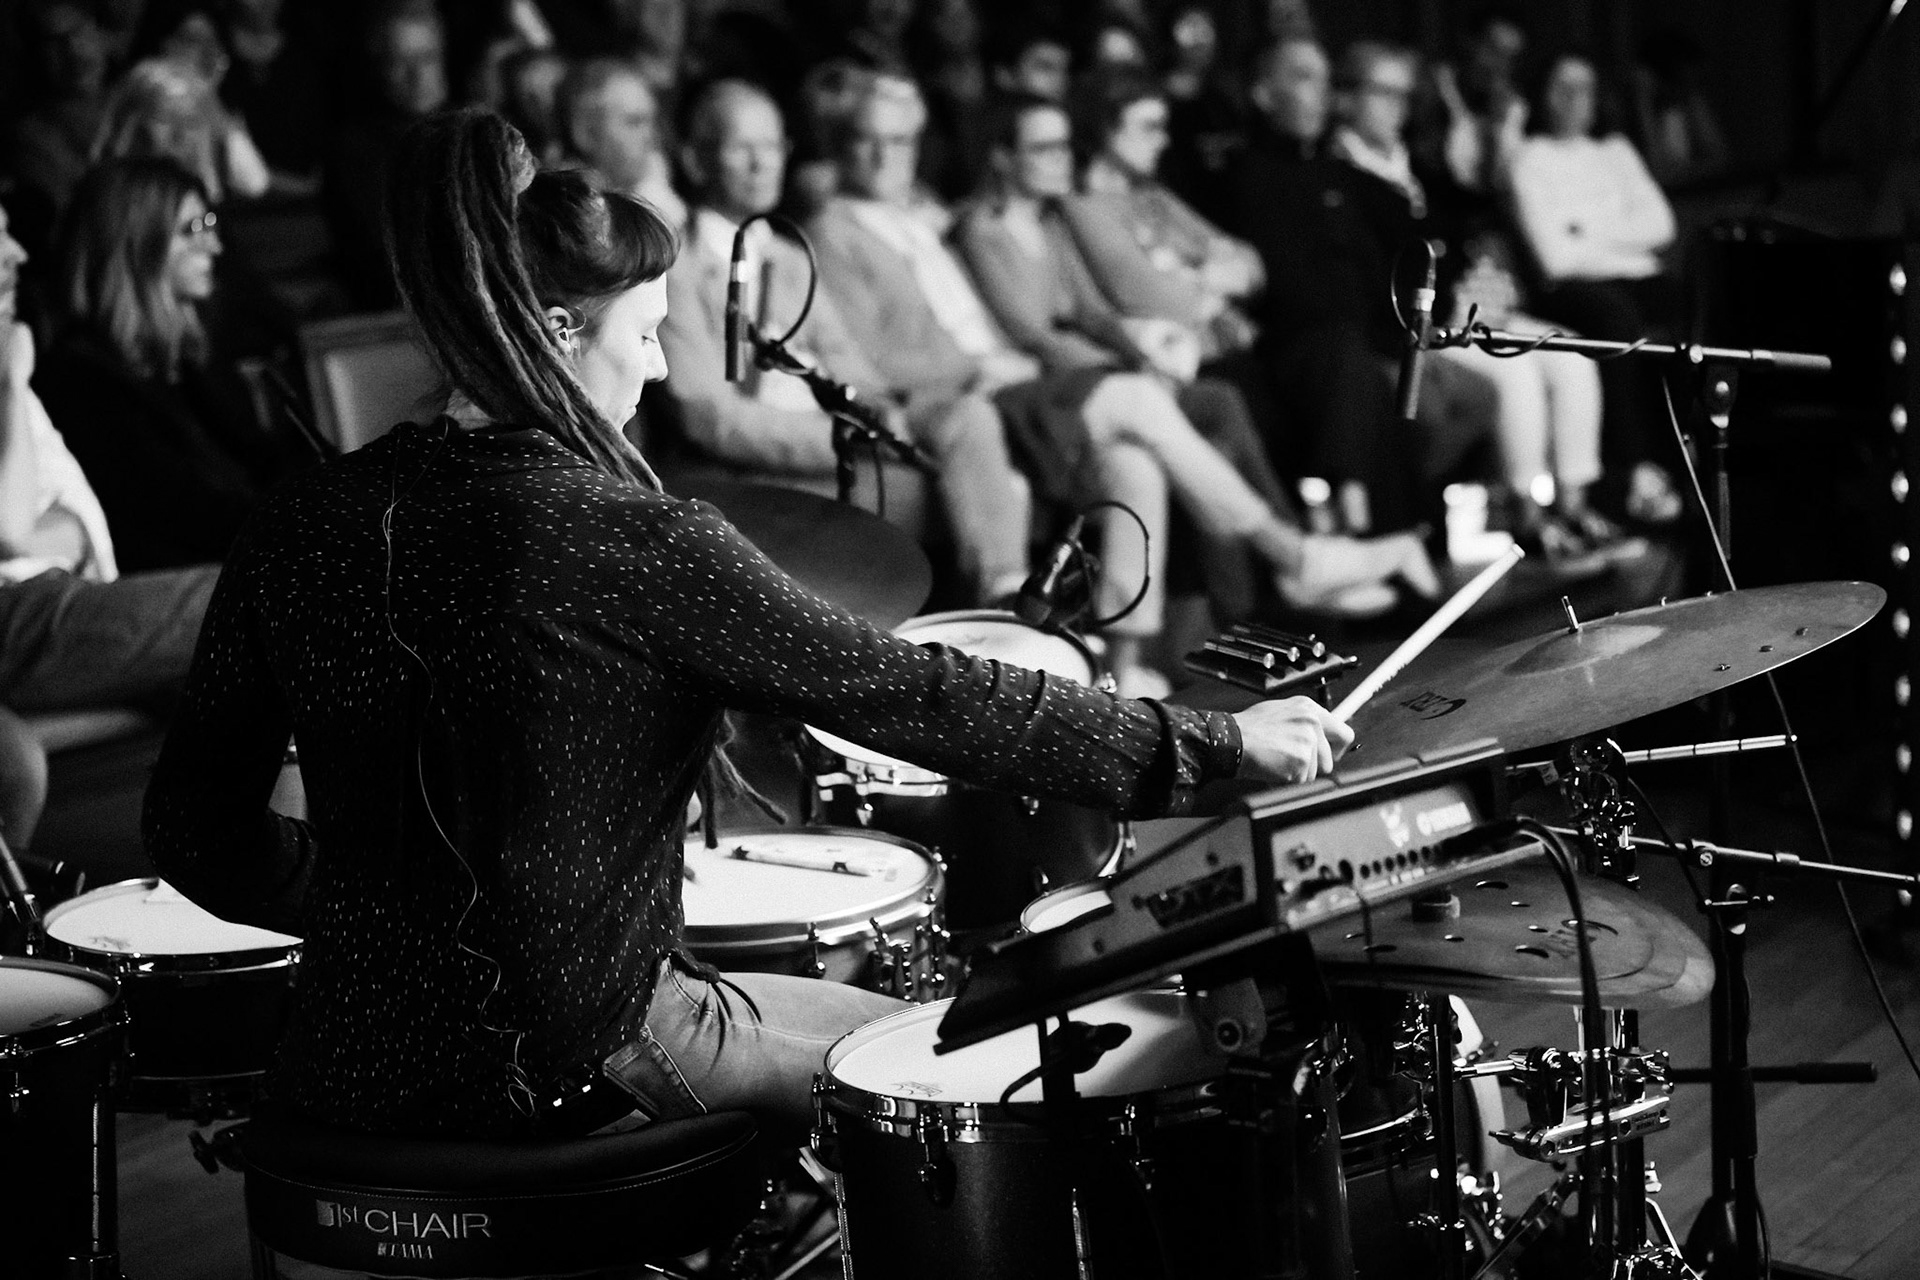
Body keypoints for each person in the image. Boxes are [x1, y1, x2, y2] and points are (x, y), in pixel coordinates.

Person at [141, 106, 1354, 1142]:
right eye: (647, 332)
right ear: (559, 331)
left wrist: (381, 921)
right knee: (959, 1081)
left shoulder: (296, 519)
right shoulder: (625, 538)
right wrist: (1212, 745)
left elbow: (194, 829)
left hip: (340, 1068)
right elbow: (920, 693)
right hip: (571, 1062)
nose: (662, 370)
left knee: (894, 1033)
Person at [659, 79, 1035, 607]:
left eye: (772, 146)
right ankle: (980, 616)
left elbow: (849, 366)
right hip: (759, 464)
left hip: (841, 432)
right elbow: (710, 418)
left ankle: (1007, 600)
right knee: (978, 492)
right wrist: (843, 435)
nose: (762, 164)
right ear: (697, 161)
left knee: (968, 417)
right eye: (742, 148)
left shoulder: (790, 257)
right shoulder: (676, 267)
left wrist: (878, 413)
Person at [1329, 41, 1625, 559]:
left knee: (1572, 353)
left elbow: (1459, 235)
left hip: (1464, 308)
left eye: (1404, 95)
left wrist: (1486, 278)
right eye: (1383, 93)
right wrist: (1452, 300)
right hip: (1417, 324)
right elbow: (1373, 274)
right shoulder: (1339, 176)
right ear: (1347, 98)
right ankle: (1529, 519)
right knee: (1516, 372)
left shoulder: (1414, 166)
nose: (1397, 107)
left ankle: (1574, 506)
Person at [0, 201, 220, 849]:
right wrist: (11, 381)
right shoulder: (23, 366)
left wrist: (58, 527)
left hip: (54, 598)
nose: (17, 253)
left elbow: (68, 523)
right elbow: (13, 527)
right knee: (262, 596)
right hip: (20, 612)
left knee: (246, 682)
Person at [34, 159, 308, 570]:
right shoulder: (82, 379)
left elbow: (261, 462)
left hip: (242, 559)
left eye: (210, 223)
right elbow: (188, 516)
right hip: (185, 582)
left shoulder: (186, 354)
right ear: (134, 246)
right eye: (191, 229)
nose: (214, 247)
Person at [1508, 52, 1683, 526]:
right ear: (1543, 94)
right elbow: (1555, 258)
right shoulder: (1529, 158)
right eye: (1562, 88)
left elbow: (1662, 226)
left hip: (1636, 278)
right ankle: (1630, 473)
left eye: (1583, 88)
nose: (1574, 99)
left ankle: (1689, 463)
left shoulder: (1616, 152)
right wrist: (1615, 235)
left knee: (1696, 308)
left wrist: (1582, 230)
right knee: (1616, 320)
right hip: (1569, 288)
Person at [322, 1, 450, 309]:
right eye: (400, 62)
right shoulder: (355, 151)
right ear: (378, 67)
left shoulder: (473, 130)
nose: (417, 74)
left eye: (426, 58)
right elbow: (382, 250)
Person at [554, 57, 686, 231]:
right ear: (586, 132)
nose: (652, 137)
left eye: (652, 123)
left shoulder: (651, 186)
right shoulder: (559, 216)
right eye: (634, 122)